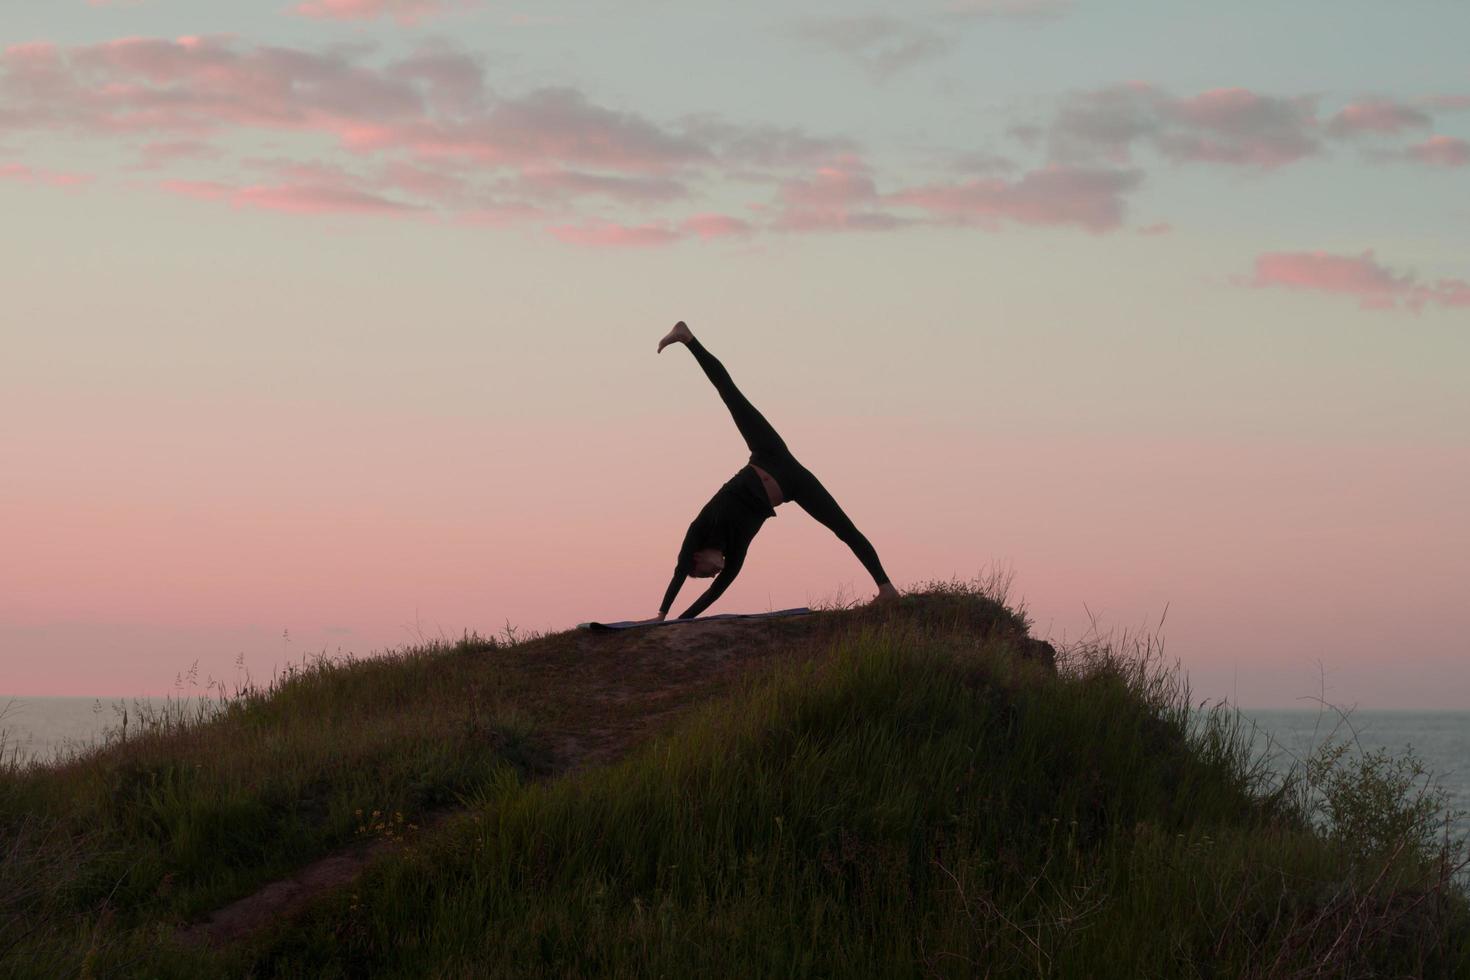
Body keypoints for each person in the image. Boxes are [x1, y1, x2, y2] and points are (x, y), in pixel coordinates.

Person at [654, 320, 900, 620]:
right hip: (793, 483)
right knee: (842, 527)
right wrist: (683, 621)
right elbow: (717, 592)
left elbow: (679, 571)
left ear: (696, 557)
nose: (713, 574)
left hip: (767, 453)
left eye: (705, 573)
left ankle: (687, 338)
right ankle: (887, 590)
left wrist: (662, 614)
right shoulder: (735, 551)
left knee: (730, 394)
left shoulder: (700, 529)